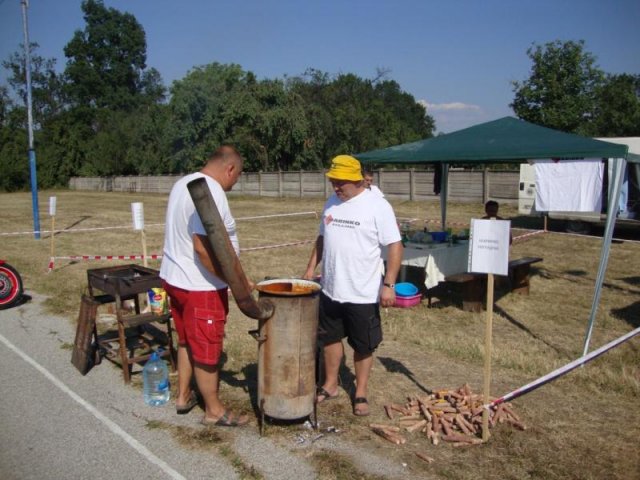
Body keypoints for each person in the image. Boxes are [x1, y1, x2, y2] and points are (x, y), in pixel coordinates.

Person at [303, 155, 403, 416]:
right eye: (333, 181)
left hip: (363, 292)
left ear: (357, 180)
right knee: (330, 339)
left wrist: (389, 284)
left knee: (363, 345)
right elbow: (322, 239)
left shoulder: (377, 206)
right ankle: (331, 384)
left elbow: (394, 245)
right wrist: (310, 269)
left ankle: (360, 392)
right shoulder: (332, 203)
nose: (336, 187)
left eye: (341, 182)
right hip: (331, 288)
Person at [160, 145, 249, 427]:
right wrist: (231, 281)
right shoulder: (211, 191)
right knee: (208, 349)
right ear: (230, 169)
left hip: (174, 278)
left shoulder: (182, 183)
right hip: (200, 286)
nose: (235, 183)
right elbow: (202, 248)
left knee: (186, 340)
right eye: (237, 177)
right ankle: (214, 409)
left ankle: (184, 395)